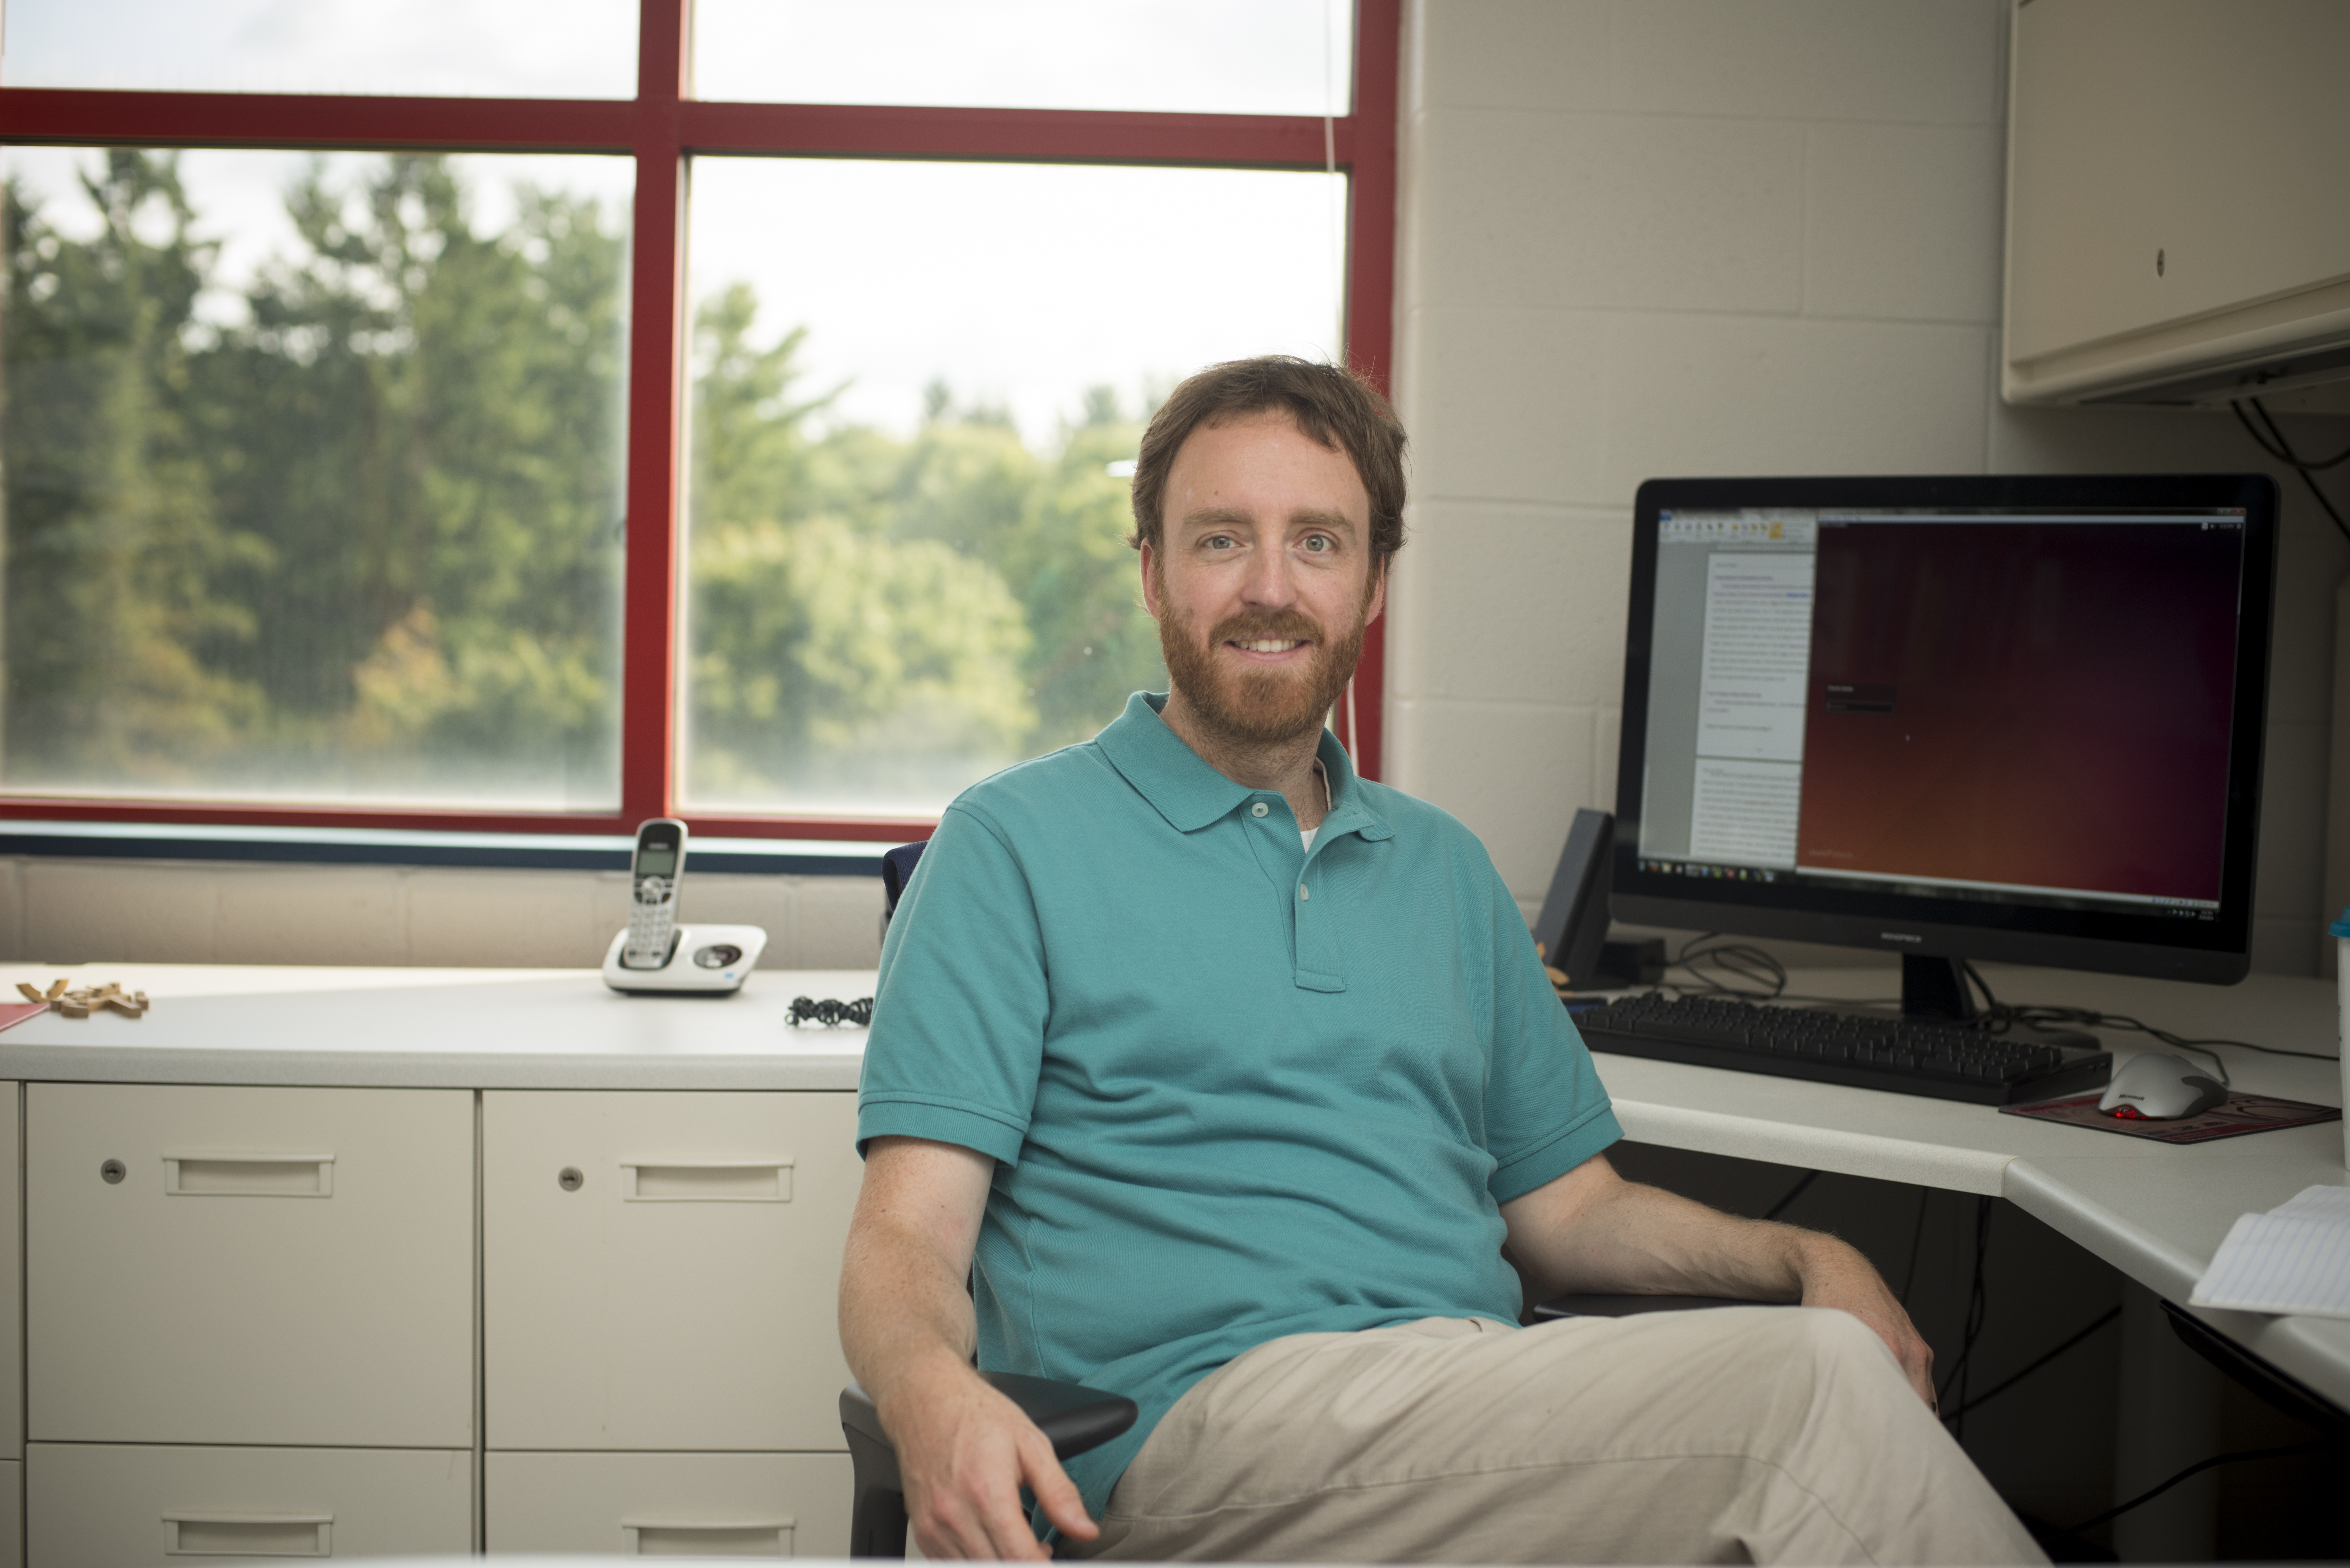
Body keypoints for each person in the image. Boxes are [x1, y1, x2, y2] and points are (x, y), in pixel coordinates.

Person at [839, 356, 2043, 1565]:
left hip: (1470, 1413)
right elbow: (909, 1239)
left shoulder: (1446, 869)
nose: (1271, 587)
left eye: (1318, 542)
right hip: (1185, 1439)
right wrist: (930, 1397)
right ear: (1153, 574)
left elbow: (1574, 1213)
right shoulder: (1012, 845)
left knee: (1802, 1421)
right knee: (1808, 1406)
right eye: (1221, 542)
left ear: (1371, 587)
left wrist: (1808, 1255)